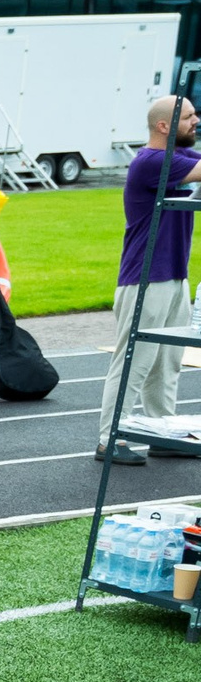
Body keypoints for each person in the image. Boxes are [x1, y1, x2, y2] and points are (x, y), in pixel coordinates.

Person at [95, 93, 199, 465]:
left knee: (168, 361)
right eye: (189, 117)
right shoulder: (151, 161)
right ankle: (109, 439)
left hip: (173, 276)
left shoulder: (178, 159)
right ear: (163, 126)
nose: (196, 121)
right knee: (134, 361)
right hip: (145, 278)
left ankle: (162, 432)